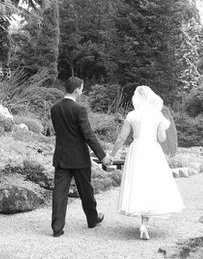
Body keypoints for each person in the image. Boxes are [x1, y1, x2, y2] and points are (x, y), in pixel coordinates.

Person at [108, 86, 184, 240]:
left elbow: (121, 138)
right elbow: (162, 139)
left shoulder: (132, 115)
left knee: (138, 182)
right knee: (151, 182)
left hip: (137, 149)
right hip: (152, 149)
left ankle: (142, 221)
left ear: (137, 98)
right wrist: (161, 127)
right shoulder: (157, 116)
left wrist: (112, 154)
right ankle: (144, 224)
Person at [50, 76, 111, 237]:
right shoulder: (79, 110)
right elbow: (88, 135)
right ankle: (92, 219)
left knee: (59, 192)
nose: (82, 90)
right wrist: (102, 156)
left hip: (62, 156)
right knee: (86, 191)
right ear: (77, 90)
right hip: (79, 158)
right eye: (82, 88)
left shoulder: (54, 108)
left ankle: (57, 228)